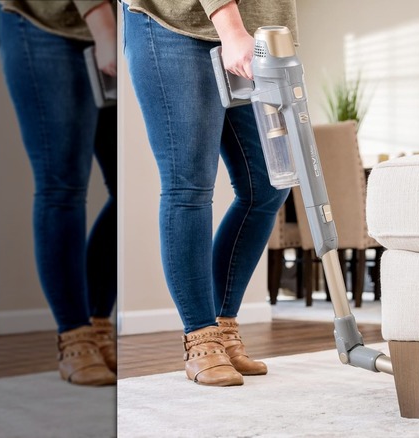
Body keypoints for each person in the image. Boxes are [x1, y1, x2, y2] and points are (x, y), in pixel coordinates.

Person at [122, 0, 297, 386]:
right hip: (176, 23)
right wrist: (231, 28)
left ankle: (223, 326)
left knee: (268, 185)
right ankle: (201, 337)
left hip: (254, 37)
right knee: (189, 184)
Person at [0, 0, 118, 386]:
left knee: (126, 189)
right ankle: (75, 336)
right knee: (61, 186)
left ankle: (98, 324)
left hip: (116, 23)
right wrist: (103, 26)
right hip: (43, 21)